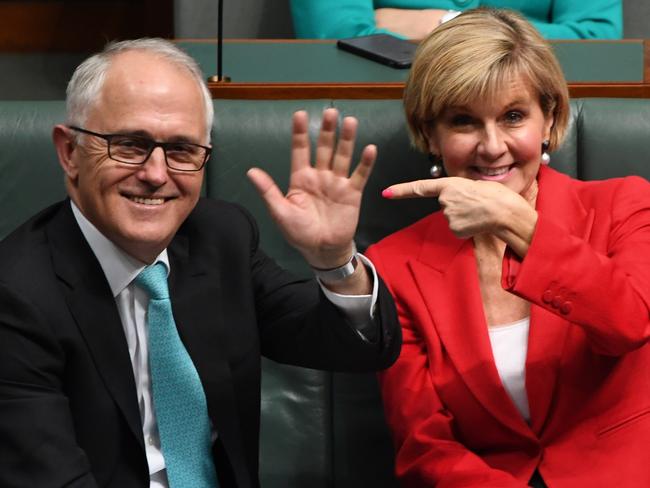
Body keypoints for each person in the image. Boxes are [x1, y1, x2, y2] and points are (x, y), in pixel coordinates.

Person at [0, 38, 400, 488]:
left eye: (181, 151)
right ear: (70, 152)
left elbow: (357, 346)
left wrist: (334, 262)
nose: (156, 174)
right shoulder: (15, 296)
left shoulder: (220, 236)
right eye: (130, 145)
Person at [365, 8, 650, 488]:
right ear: (431, 135)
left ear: (550, 118)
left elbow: (628, 322)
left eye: (513, 116)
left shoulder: (625, 205)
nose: (492, 146)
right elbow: (424, 444)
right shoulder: (392, 265)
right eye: (463, 122)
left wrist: (518, 223)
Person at [290, 0, 622, 40]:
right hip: (384, 108)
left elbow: (597, 41)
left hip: (532, 117)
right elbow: (337, 36)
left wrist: (446, 22)